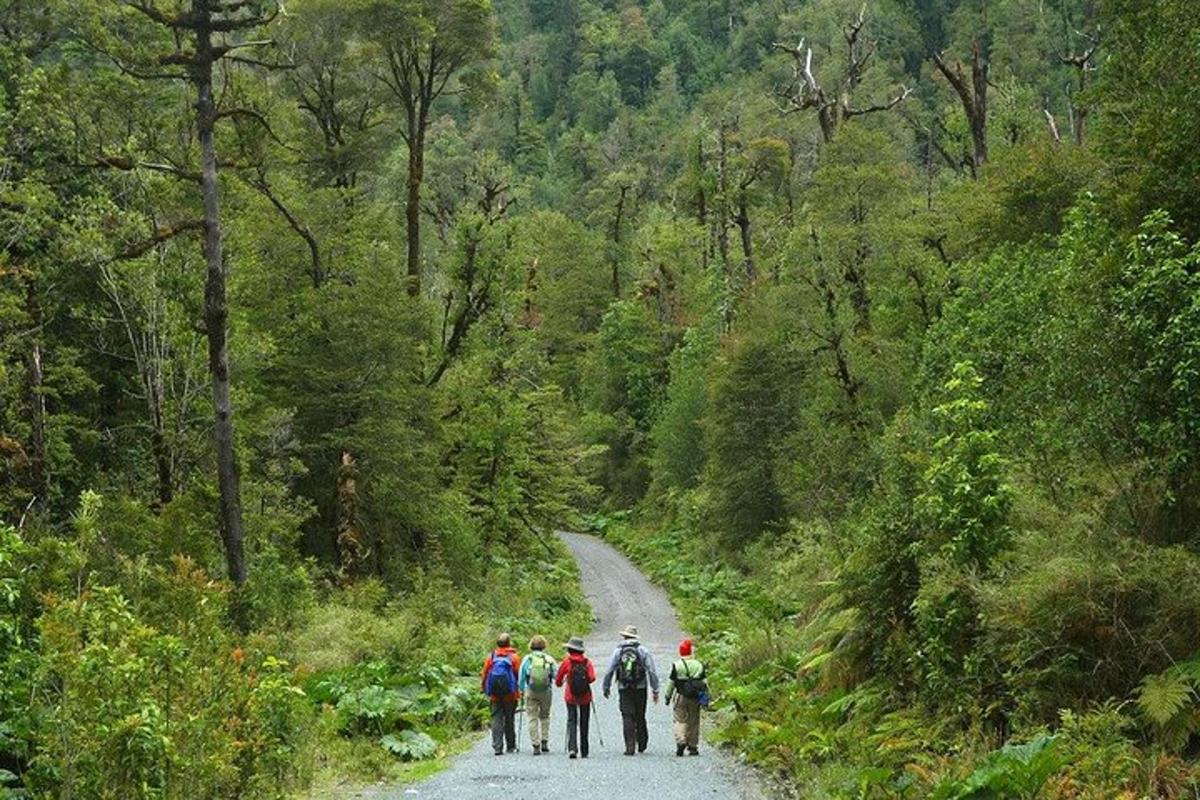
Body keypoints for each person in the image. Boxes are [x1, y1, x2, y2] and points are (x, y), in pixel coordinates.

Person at [602, 624, 660, 756]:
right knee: (640, 714)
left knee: (627, 715)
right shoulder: (643, 650)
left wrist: (606, 687)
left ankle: (629, 747)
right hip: (641, 686)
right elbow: (651, 671)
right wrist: (655, 689)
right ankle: (642, 744)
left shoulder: (618, 651)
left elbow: (609, 670)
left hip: (624, 687)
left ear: (624, 636)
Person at [555, 636, 596, 759]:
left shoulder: (567, 662)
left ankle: (572, 748)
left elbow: (558, 679)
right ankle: (584, 750)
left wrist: (560, 683)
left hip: (570, 696)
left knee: (572, 721)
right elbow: (592, 678)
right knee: (584, 722)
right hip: (585, 696)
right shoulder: (587, 662)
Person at [481, 633, 522, 755]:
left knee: (496, 718)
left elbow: (485, 674)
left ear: (497, 643)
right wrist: (519, 691)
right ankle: (510, 745)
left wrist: (484, 688)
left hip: (494, 694)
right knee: (510, 718)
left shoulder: (491, 657)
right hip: (510, 694)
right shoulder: (514, 657)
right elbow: (518, 675)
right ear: (509, 643)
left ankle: (497, 747)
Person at [665, 638, 707, 756]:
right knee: (694, 720)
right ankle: (693, 746)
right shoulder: (699, 665)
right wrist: (706, 698)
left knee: (680, 719)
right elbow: (704, 682)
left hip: (680, 696)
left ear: (680, 652)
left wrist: (667, 697)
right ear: (690, 652)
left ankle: (681, 740)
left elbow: (671, 683)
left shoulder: (676, 665)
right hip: (695, 696)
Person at [518, 635, 557, 755]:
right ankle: (544, 741)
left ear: (531, 646)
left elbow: (521, 678)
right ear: (544, 646)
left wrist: (521, 690)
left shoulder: (527, 659)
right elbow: (556, 675)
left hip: (531, 690)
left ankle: (536, 744)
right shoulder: (548, 659)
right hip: (546, 691)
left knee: (532, 717)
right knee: (545, 716)